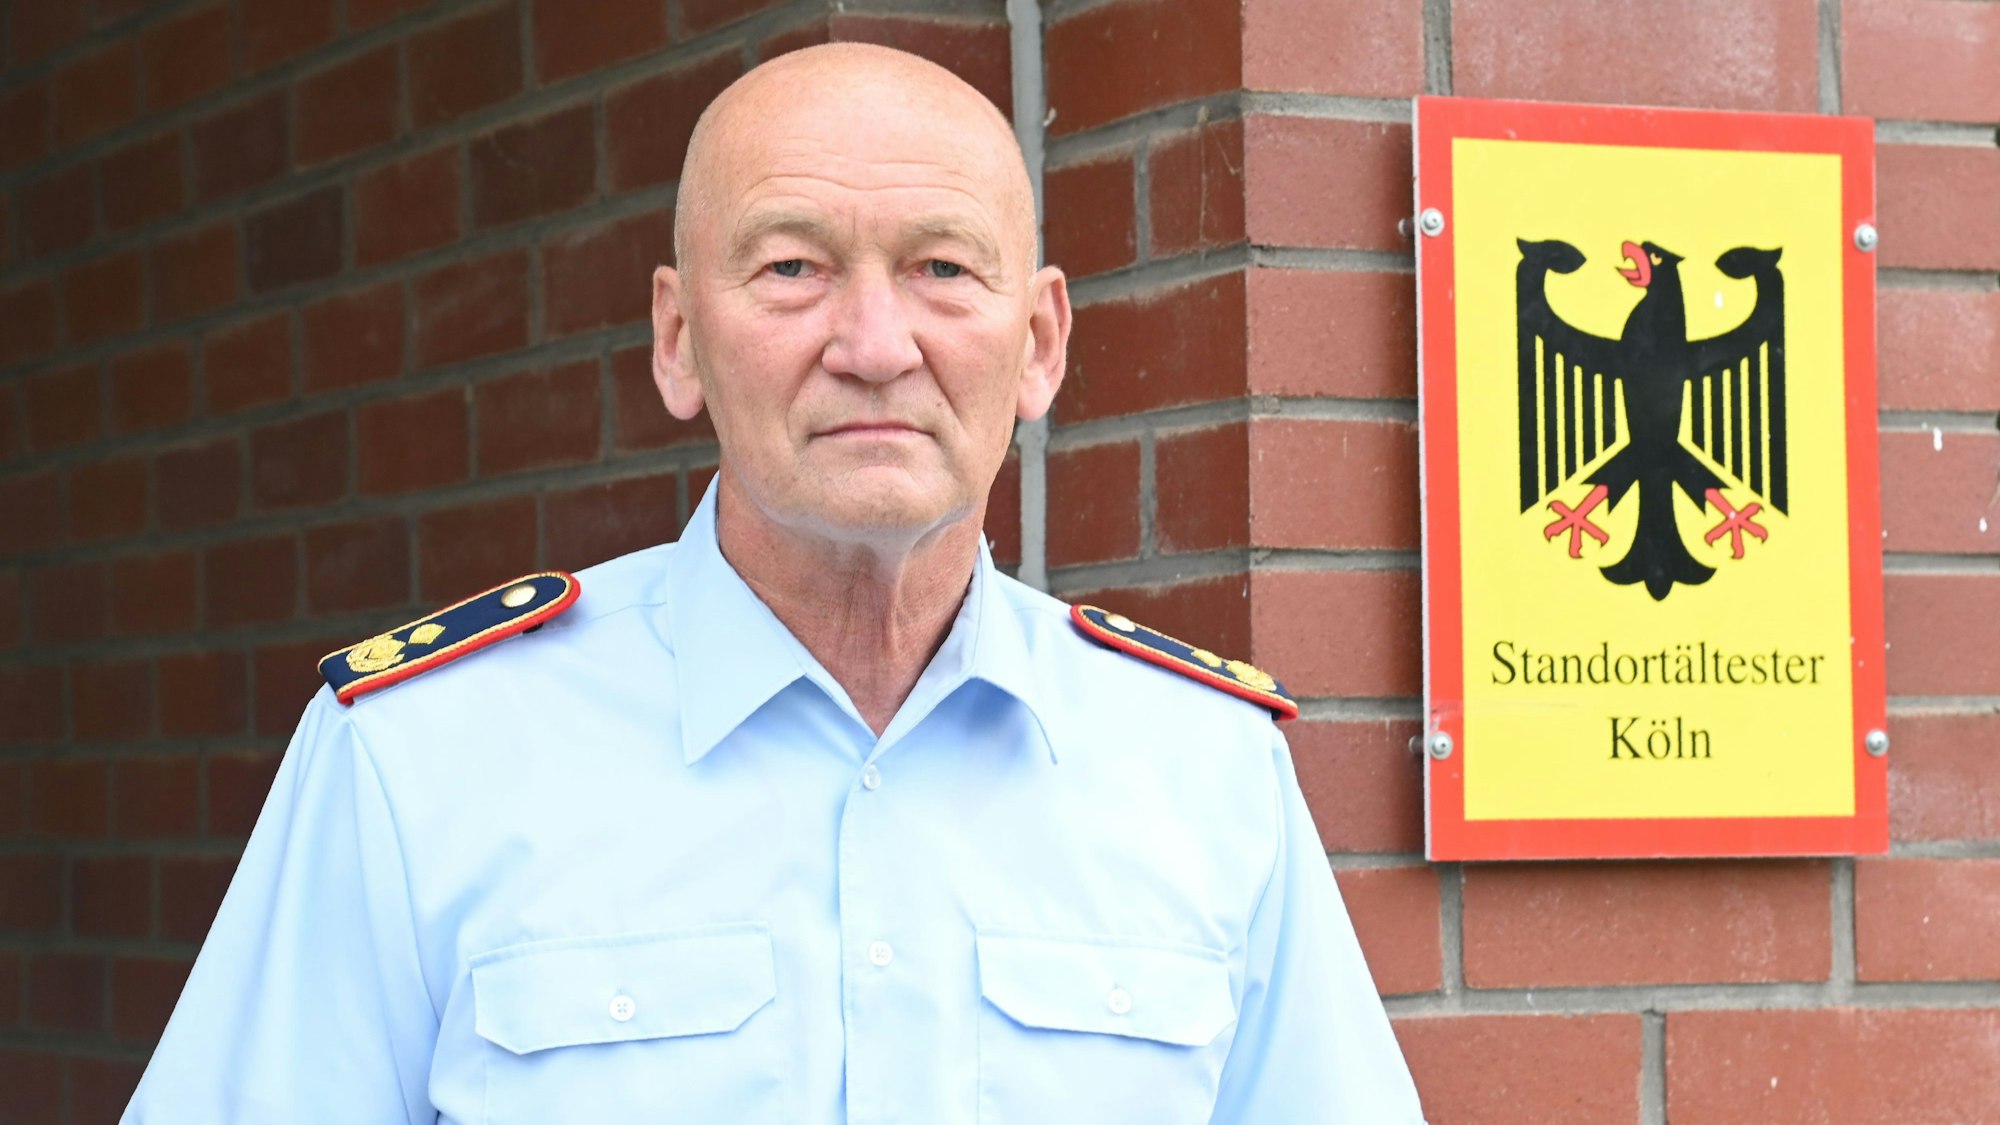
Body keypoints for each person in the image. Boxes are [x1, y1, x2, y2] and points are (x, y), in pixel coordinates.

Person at [124, 43, 1425, 1125]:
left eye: (943, 269)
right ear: (680, 340)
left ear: (1036, 346)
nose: (873, 345)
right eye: (794, 267)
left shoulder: (1202, 769)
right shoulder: (419, 760)